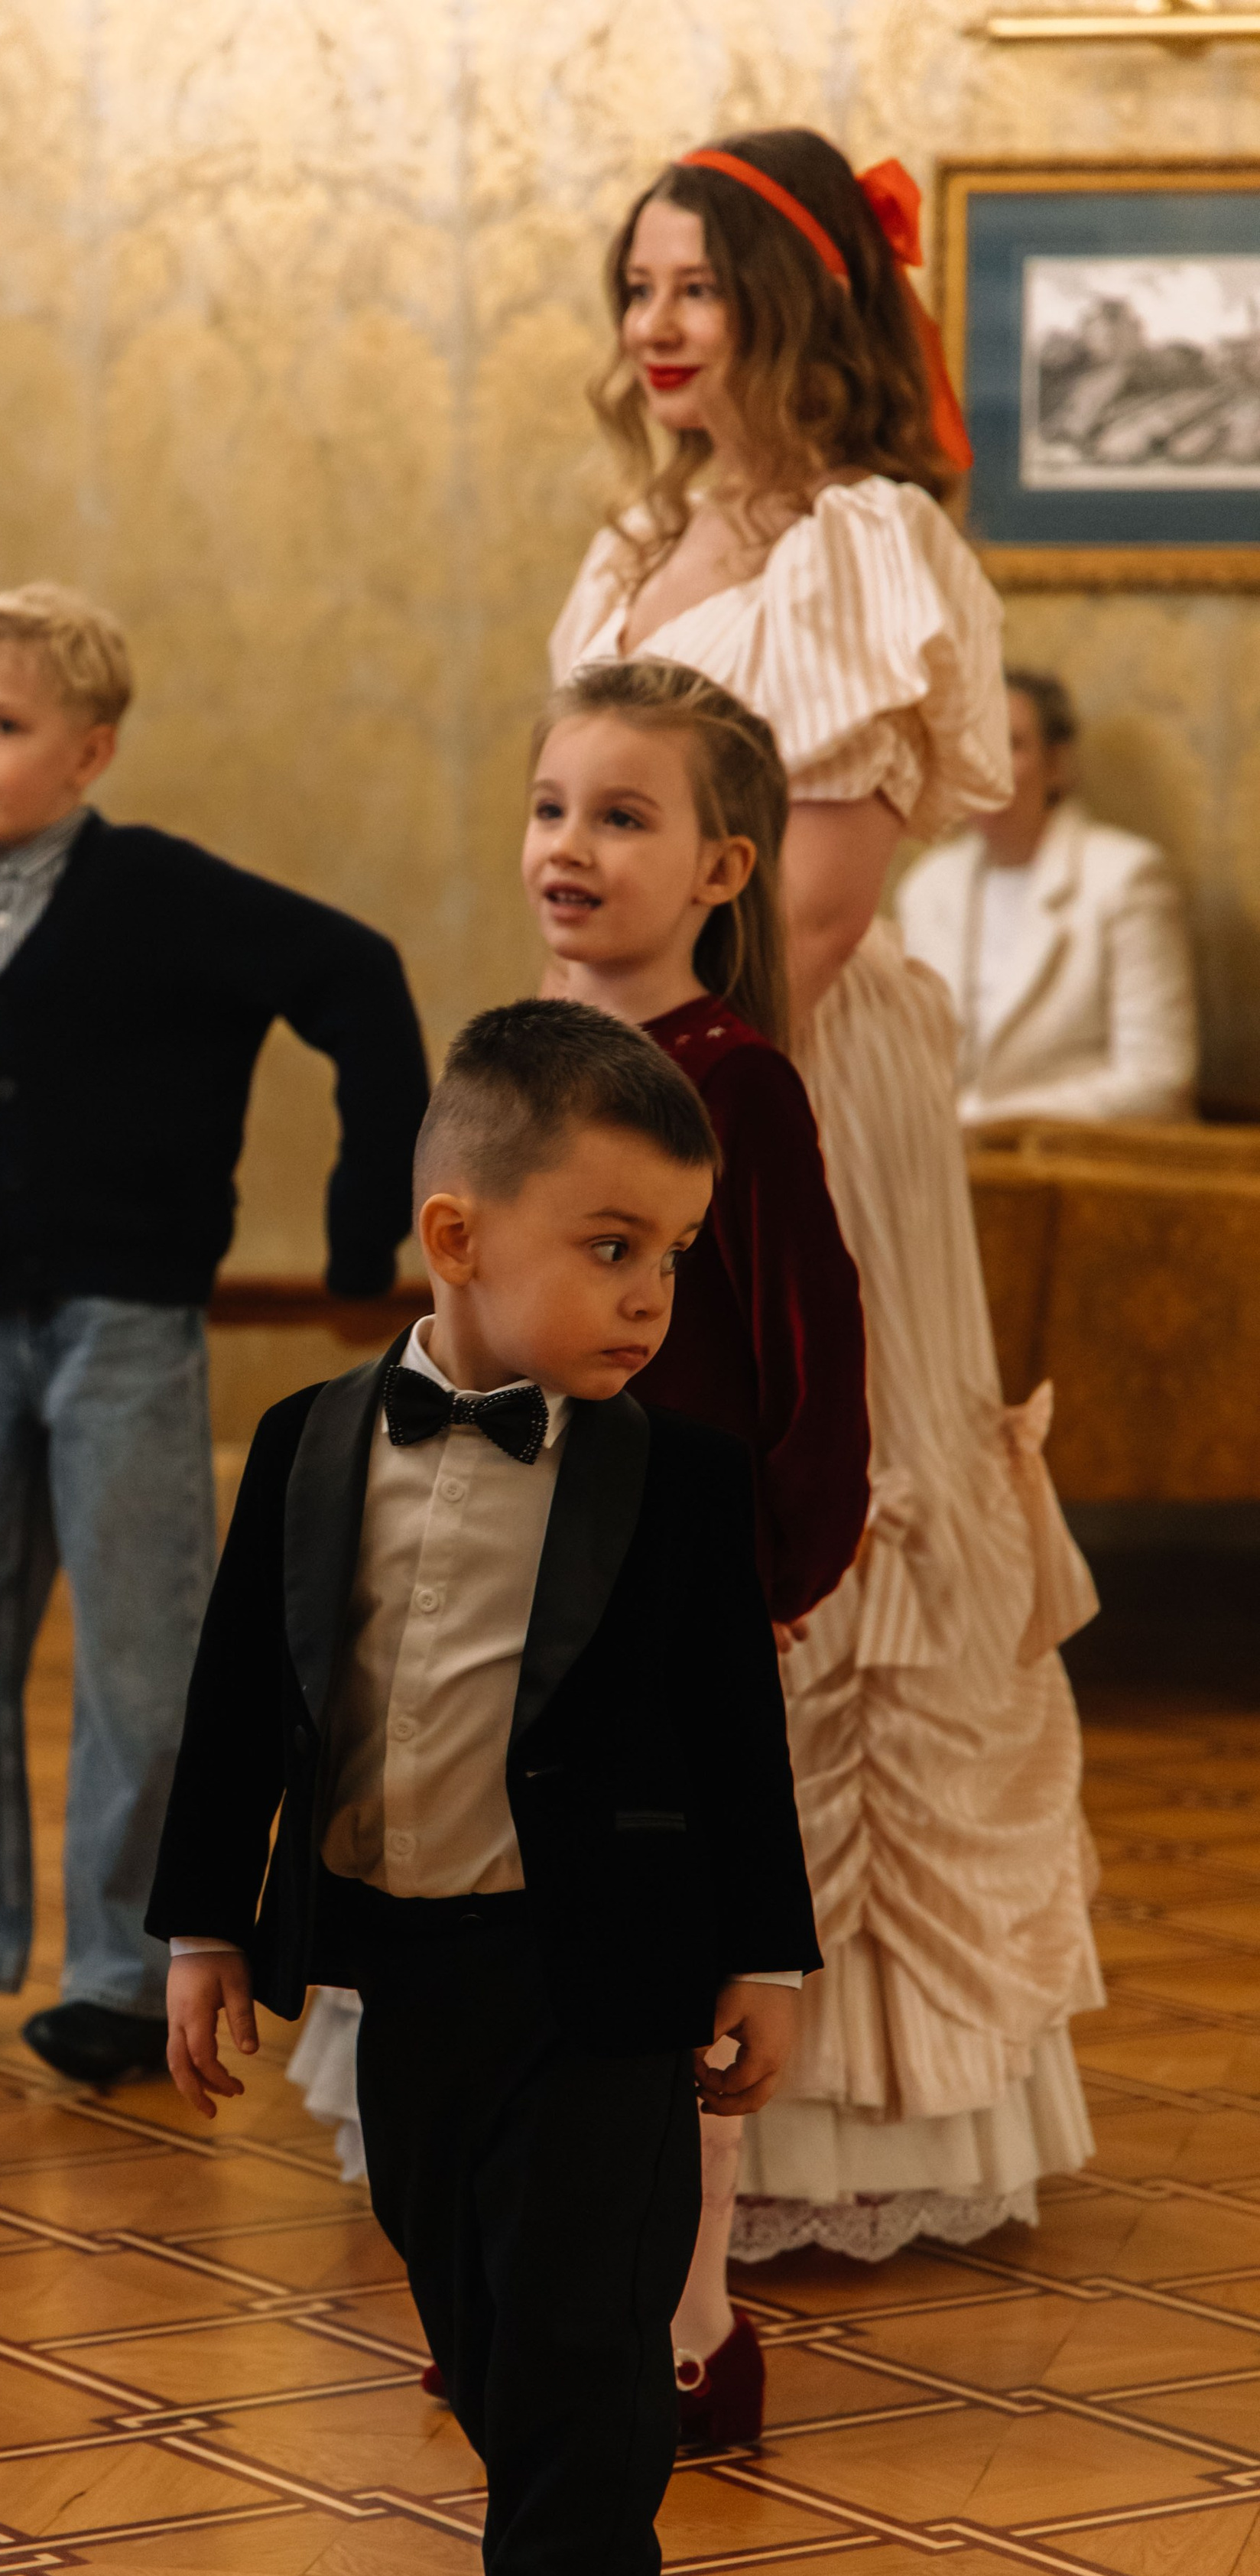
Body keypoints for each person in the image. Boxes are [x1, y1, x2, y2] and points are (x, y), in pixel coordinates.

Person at [151, 1001, 820, 2576]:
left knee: (578, 2327)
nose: (646, 1298)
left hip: (596, 1976)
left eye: (667, 1257)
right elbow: (237, 1699)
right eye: (608, 1250)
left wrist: (769, 1948)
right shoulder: (304, 1442)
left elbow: (733, 1733)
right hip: (405, 1959)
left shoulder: (669, 1475)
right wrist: (204, 1925)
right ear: (457, 1238)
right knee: (462, 2301)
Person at [550, 130, 1103, 2292]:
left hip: (788, 1064)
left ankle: (828, 2104)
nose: (656, 329)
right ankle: (611, 2051)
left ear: (793, 310)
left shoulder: (874, 545)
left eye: (693, 287)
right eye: (638, 289)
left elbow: (833, 893)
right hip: (628, 1051)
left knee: (802, 1493)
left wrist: (663, 1069)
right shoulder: (632, 548)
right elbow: (593, 817)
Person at [0, 582, 429, 2087]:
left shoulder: (162, 895)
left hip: (125, 1327)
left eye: (3, 724)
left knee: (137, 1663)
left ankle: (127, 1977)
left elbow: (357, 981)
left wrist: (351, 1230)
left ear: (90, 749)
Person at [531, 658, 869, 2441]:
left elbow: (812, 1355)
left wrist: (774, 1575)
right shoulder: (520, 1063)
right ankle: (558, 2303)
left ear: (722, 870)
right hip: (525, 1590)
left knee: (677, 1964)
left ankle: (685, 2324)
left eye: (619, 813)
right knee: (550, 1956)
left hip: (676, 1599)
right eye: (548, 805)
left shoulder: (731, 1087)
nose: (566, 844)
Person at [897, 668, 1197, 1126]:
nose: (983, 766)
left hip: (1088, 1169)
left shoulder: (1128, 877)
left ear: (1057, 765)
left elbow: (1158, 1078)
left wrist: (984, 1118)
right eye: (969, 745)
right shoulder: (928, 886)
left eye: (1010, 745)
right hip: (946, 1164)